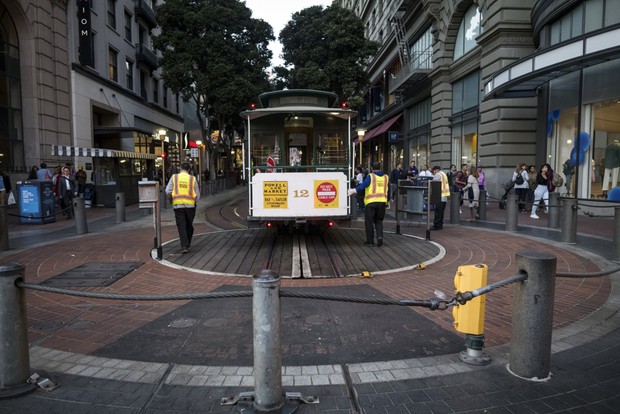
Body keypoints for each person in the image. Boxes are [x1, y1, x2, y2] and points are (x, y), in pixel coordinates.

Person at [348, 162, 389, 247]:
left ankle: (370, 242)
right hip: (382, 203)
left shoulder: (371, 176)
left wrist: (353, 190)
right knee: (379, 221)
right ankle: (379, 237)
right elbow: (389, 189)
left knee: (369, 222)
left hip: (371, 203)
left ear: (372, 168)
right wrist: (387, 201)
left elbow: (363, 185)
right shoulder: (386, 177)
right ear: (380, 168)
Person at [166, 162, 200, 253]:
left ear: (180, 169)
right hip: (190, 206)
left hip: (178, 206)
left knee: (181, 226)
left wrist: (171, 199)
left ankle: (184, 246)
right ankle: (187, 243)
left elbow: (167, 191)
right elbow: (197, 194)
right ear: (189, 170)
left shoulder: (174, 177)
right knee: (189, 225)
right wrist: (195, 203)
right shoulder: (192, 179)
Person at [431, 166, 450, 230]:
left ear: (436, 170)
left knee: (437, 212)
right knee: (441, 212)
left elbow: (434, 184)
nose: (433, 172)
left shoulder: (437, 175)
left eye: (433, 171)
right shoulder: (444, 174)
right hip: (444, 196)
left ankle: (436, 225)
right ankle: (440, 224)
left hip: (439, 196)